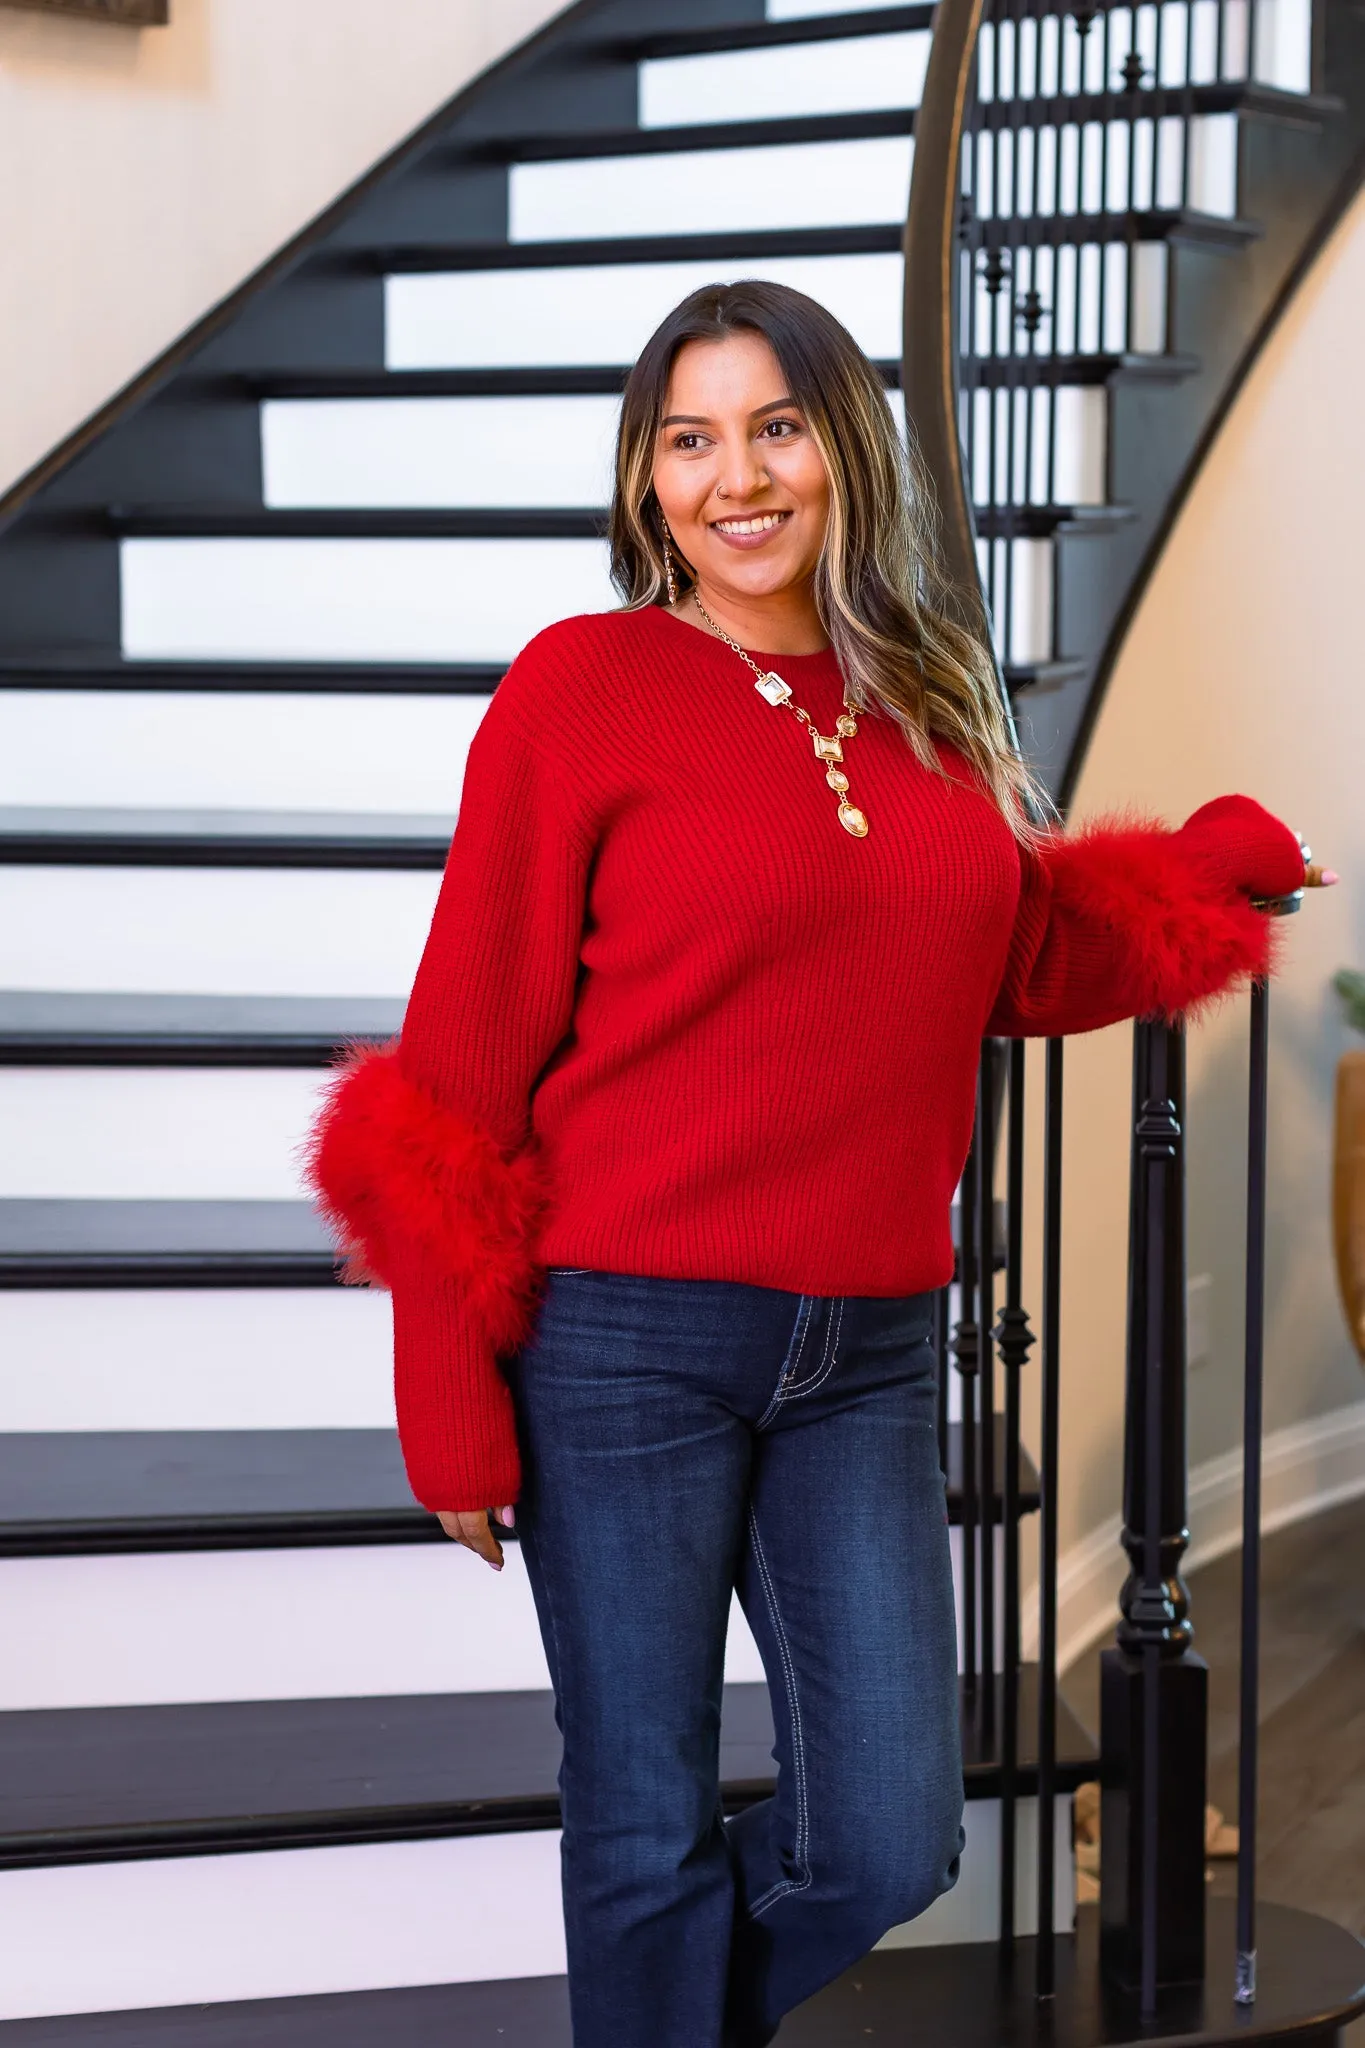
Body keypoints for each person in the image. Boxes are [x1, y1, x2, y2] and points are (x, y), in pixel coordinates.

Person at [304, 281, 1324, 2048]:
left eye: (774, 426)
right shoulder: (583, 690)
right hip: (621, 1346)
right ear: (645, 484)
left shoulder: (928, 697)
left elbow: (1008, 963)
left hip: (863, 1348)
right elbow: (456, 1071)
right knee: (640, 1822)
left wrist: (1192, 886)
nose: (735, 477)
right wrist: (445, 1393)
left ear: (846, 449)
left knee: (889, 1836)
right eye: (687, 440)